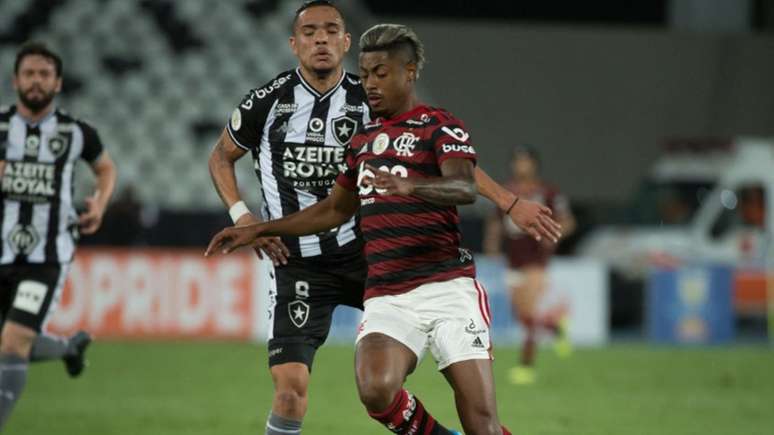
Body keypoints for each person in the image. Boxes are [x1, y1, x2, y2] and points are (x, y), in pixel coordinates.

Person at [208, 23, 562, 435]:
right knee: (375, 390)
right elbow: (333, 210)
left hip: (446, 288)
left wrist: (416, 186)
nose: (371, 84)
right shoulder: (361, 142)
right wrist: (257, 228)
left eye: (381, 74)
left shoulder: (439, 124)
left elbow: (463, 186)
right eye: (366, 73)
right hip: (387, 294)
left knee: (483, 425)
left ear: (409, 72)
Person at [0, 41, 116, 429]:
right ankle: (69, 347)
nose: (36, 81)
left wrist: (99, 203)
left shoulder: (76, 132)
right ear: (16, 80)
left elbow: (105, 169)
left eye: (44, 74)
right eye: (29, 74)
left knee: (14, 340)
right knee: (10, 343)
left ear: (58, 83)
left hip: (47, 258)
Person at [483, 145, 576, 385]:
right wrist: (492, 245)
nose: (520, 166)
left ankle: (526, 366)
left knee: (529, 312)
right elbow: (495, 222)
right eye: (517, 161)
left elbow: (569, 222)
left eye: (525, 161)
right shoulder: (506, 192)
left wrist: (552, 233)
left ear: (534, 164)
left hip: (536, 260)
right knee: (523, 315)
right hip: (513, 259)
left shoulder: (548, 192)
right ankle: (556, 326)